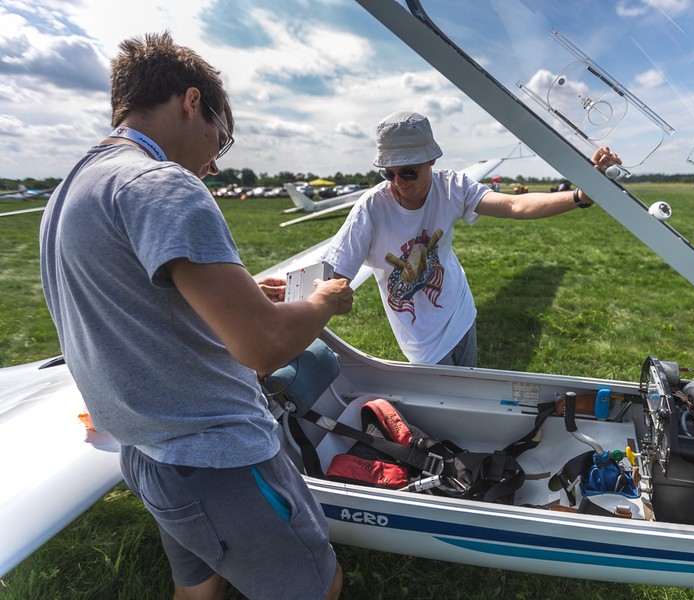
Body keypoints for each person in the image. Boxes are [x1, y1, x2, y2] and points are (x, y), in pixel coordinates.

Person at [39, 32, 350, 600]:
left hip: (147, 453)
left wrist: (238, 292)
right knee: (319, 585)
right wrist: (323, 301)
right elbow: (262, 345)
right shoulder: (161, 184)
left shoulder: (71, 190)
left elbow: (123, 297)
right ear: (190, 103)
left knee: (201, 588)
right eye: (220, 137)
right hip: (215, 455)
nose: (211, 162)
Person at [320, 110, 620, 367]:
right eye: (389, 173)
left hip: (460, 313)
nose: (398, 183)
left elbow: (515, 205)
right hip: (419, 341)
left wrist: (581, 196)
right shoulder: (371, 208)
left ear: (431, 161)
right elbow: (334, 276)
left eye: (409, 172)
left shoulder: (452, 186)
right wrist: (318, 298)